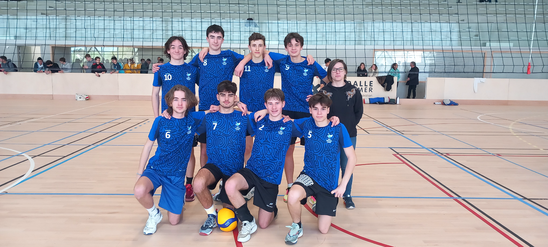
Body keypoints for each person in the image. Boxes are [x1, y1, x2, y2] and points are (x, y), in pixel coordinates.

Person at [224, 89, 301, 243]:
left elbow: (316, 122)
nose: (273, 107)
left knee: (264, 224)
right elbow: (244, 112)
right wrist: (262, 110)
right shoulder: (259, 119)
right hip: (252, 170)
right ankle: (247, 220)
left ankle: (272, 208)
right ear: (265, 104)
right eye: (270, 104)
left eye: (277, 103)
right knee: (230, 185)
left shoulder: (290, 125)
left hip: (270, 178)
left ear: (283, 104)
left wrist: (334, 118)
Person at [260, 32, 328, 203]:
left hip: (307, 112)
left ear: (301, 47)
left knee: (312, 151)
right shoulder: (283, 62)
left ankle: (313, 187)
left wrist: (318, 93)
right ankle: (290, 185)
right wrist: (267, 53)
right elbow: (264, 53)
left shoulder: (310, 63)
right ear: (286, 48)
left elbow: (327, 80)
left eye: (296, 44)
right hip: (288, 113)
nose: (293, 48)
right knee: (288, 152)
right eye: (290, 45)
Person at [284, 93, 356, 245]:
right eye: (315, 108)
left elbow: (352, 157)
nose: (319, 112)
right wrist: (264, 111)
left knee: (323, 229)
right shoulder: (306, 123)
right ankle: (297, 225)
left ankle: (316, 199)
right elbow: (283, 121)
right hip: (309, 176)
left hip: (329, 184)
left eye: (323, 109)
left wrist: (343, 185)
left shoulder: (338, 128)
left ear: (329, 110)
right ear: (309, 110)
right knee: (292, 196)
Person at [133, 85, 205, 235]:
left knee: (174, 221)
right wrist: (140, 172)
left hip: (176, 175)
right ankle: (154, 214)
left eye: (183, 100)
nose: (179, 103)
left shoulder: (194, 119)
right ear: (170, 102)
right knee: (139, 190)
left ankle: (178, 201)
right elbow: (147, 146)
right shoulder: (160, 120)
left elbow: (218, 110)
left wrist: (239, 104)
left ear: (189, 102)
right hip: (156, 169)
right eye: (176, 99)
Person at [193, 80, 252, 236]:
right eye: (223, 95)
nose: (226, 99)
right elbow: (186, 119)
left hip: (235, 170)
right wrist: (167, 112)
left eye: (230, 95)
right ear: (217, 97)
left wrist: (243, 105)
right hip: (215, 165)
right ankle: (211, 215)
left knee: (229, 213)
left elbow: (265, 122)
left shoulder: (243, 117)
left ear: (235, 98)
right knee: (198, 183)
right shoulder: (209, 117)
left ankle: (227, 194)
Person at [153, 36, 200, 202]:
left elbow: (205, 85)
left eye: (180, 47)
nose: (177, 50)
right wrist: (157, 117)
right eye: (173, 47)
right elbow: (155, 94)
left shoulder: (193, 70)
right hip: (168, 118)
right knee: (169, 151)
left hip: (188, 118)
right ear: (168, 50)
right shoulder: (161, 70)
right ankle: (171, 184)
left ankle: (188, 184)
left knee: (189, 151)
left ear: (185, 50)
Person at [320, 59, 363, 209]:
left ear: (345, 71)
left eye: (340, 69)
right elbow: (319, 112)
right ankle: (327, 192)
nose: (337, 72)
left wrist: (348, 127)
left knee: (346, 166)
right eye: (334, 70)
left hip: (348, 134)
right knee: (329, 166)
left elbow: (358, 112)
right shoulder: (324, 91)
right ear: (330, 73)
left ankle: (347, 194)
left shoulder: (354, 91)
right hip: (328, 136)